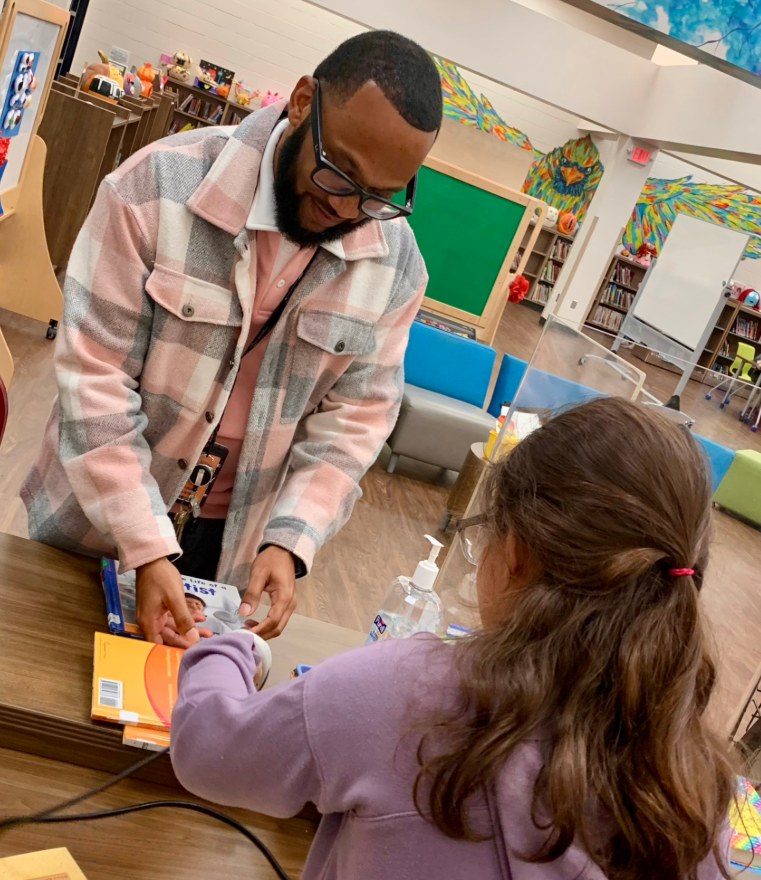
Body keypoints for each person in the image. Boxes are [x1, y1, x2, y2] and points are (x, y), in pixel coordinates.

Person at [171, 398, 734, 880]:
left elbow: (207, 750)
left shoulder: (403, 691)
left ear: (512, 552)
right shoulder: (695, 793)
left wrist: (228, 645)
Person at [22, 32, 442, 647]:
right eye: (338, 171)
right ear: (303, 102)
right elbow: (94, 379)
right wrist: (145, 544)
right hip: (94, 528)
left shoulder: (395, 266)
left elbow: (356, 420)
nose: (348, 207)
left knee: (179, 728)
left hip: (234, 552)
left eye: (380, 195)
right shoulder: (155, 189)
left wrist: (291, 539)